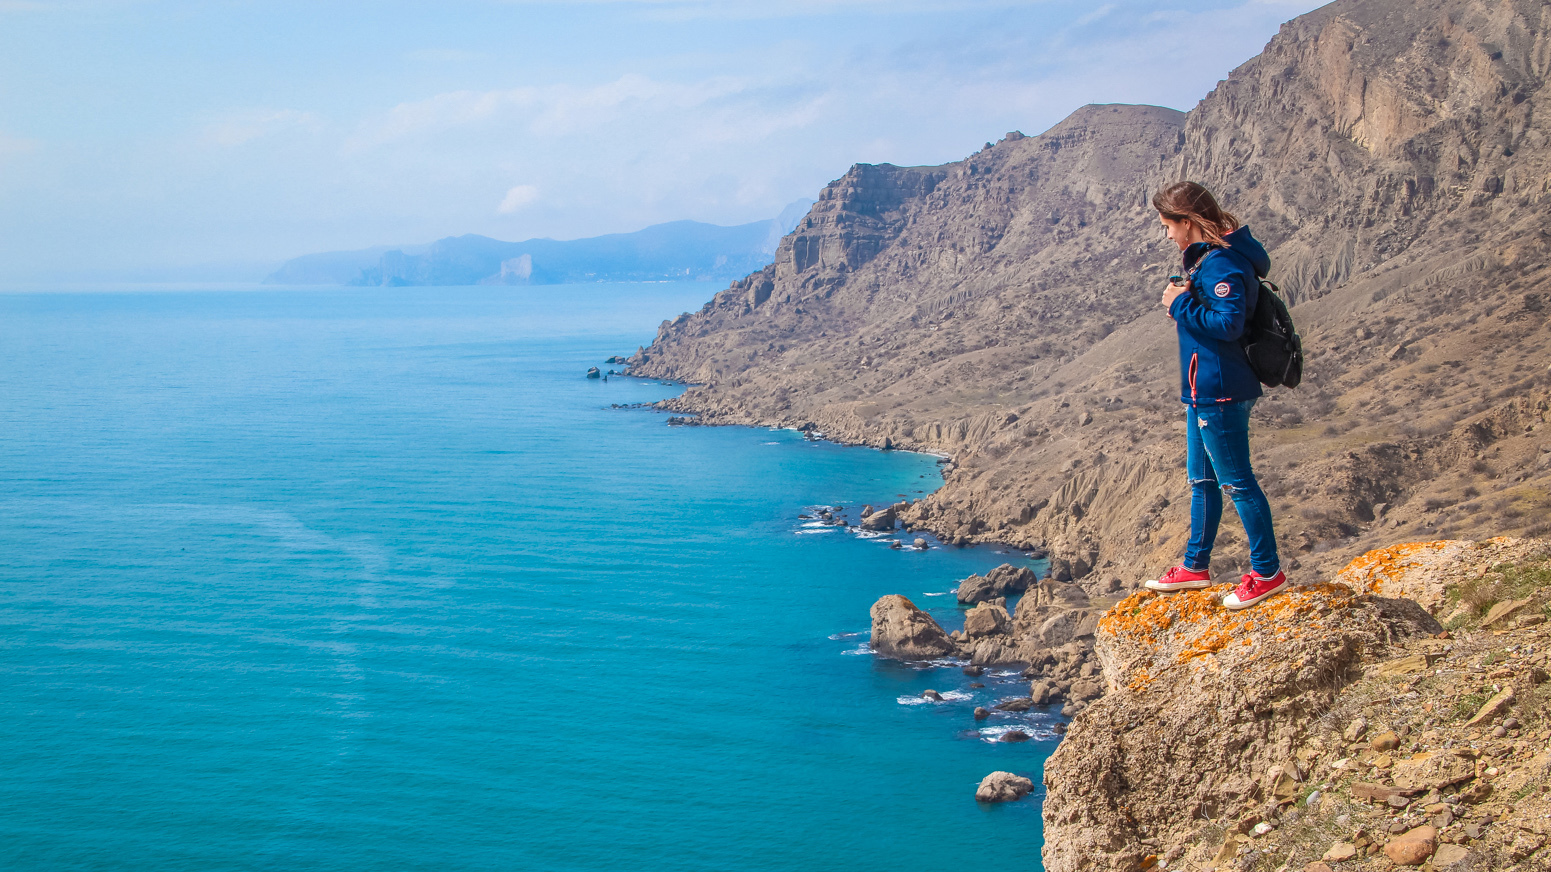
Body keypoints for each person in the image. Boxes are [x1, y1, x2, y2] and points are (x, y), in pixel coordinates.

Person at [1142, 181, 1286, 609]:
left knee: (1237, 483)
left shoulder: (1221, 264)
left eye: (1168, 225)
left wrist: (1179, 305)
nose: (1167, 234)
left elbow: (1228, 325)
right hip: (1201, 390)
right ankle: (1195, 566)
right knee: (1202, 481)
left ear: (1186, 223)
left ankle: (1267, 571)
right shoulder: (1210, 261)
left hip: (1219, 391)